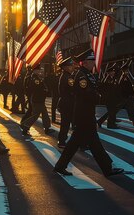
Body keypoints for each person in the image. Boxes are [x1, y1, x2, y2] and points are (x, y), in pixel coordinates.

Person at [53, 49, 124, 177]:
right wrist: (99, 97)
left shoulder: (87, 74)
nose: (93, 63)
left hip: (85, 113)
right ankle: (107, 168)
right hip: (83, 114)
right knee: (89, 143)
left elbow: (95, 87)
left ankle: (61, 166)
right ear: (85, 62)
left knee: (82, 143)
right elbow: (85, 93)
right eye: (91, 61)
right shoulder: (81, 76)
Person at [20, 65, 52, 137]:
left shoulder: (36, 78)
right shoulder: (35, 78)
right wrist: (44, 90)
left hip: (39, 99)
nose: (39, 71)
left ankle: (47, 128)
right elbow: (37, 89)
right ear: (35, 71)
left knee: (45, 114)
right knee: (35, 115)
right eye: (38, 70)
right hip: (37, 99)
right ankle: (25, 125)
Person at [56, 56, 78, 148]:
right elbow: (73, 90)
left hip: (66, 103)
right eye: (70, 65)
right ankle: (62, 141)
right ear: (65, 67)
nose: (72, 67)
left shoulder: (66, 76)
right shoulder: (68, 78)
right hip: (68, 104)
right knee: (66, 123)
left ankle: (62, 140)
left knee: (67, 123)